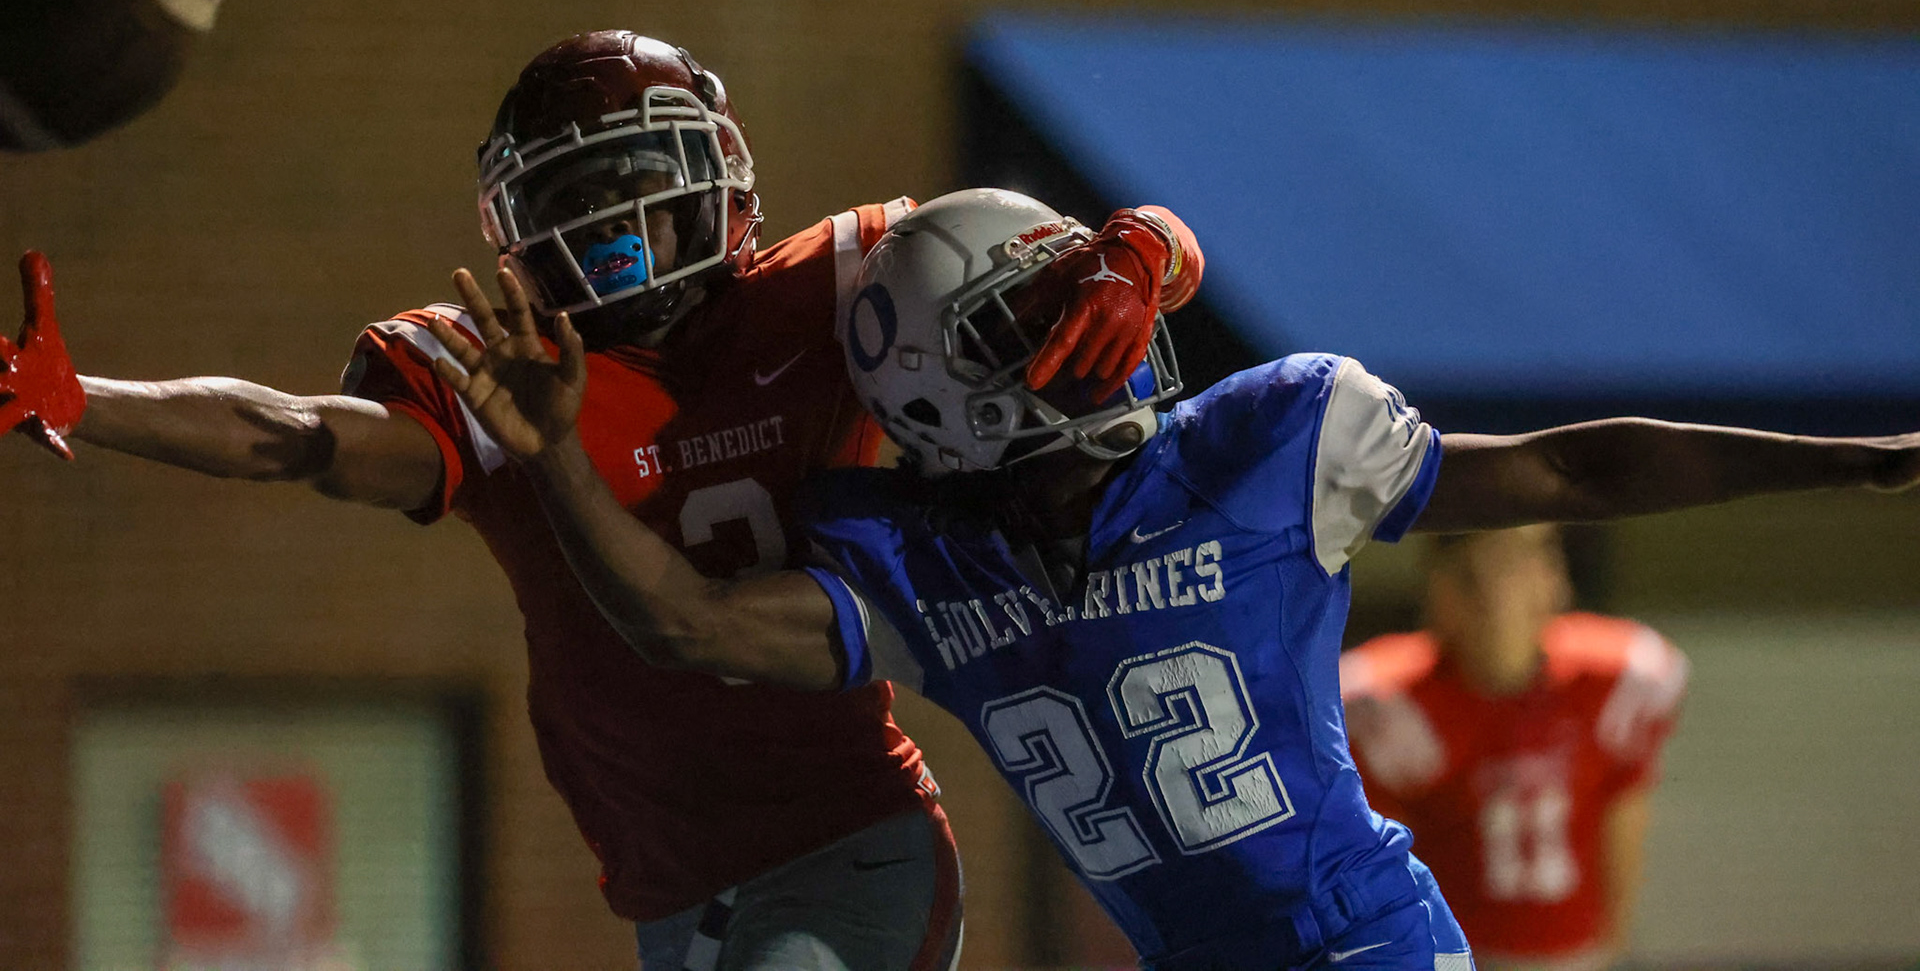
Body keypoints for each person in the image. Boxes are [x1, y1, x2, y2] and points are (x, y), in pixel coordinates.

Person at [354, 187, 1917, 971]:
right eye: (1026, 324)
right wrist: (555, 457)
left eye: (1074, 299)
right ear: (933, 394)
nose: (1083, 335)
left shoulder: (1263, 444)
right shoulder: (920, 558)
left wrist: (1854, 463)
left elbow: (1577, 472)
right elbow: (678, 619)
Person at [0, 35, 1207, 971]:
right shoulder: (507, 365)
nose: (608, 226)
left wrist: (1144, 247)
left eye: (636, 185)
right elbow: (298, 436)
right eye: (574, 199)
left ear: (714, 176)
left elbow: (1091, 249)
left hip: (844, 840)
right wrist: (83, 397)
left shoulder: (837, 286)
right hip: (666, 884)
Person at [1340, 526, 1687, 971]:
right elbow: (1377, 876)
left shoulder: (1612, 677)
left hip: (1577, 957)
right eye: (1482, 571)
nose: (1501, 591)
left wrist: (1610, 949)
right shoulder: (1387, 699)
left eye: (1525, 558)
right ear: (1444, 587)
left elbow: (1623, 826)